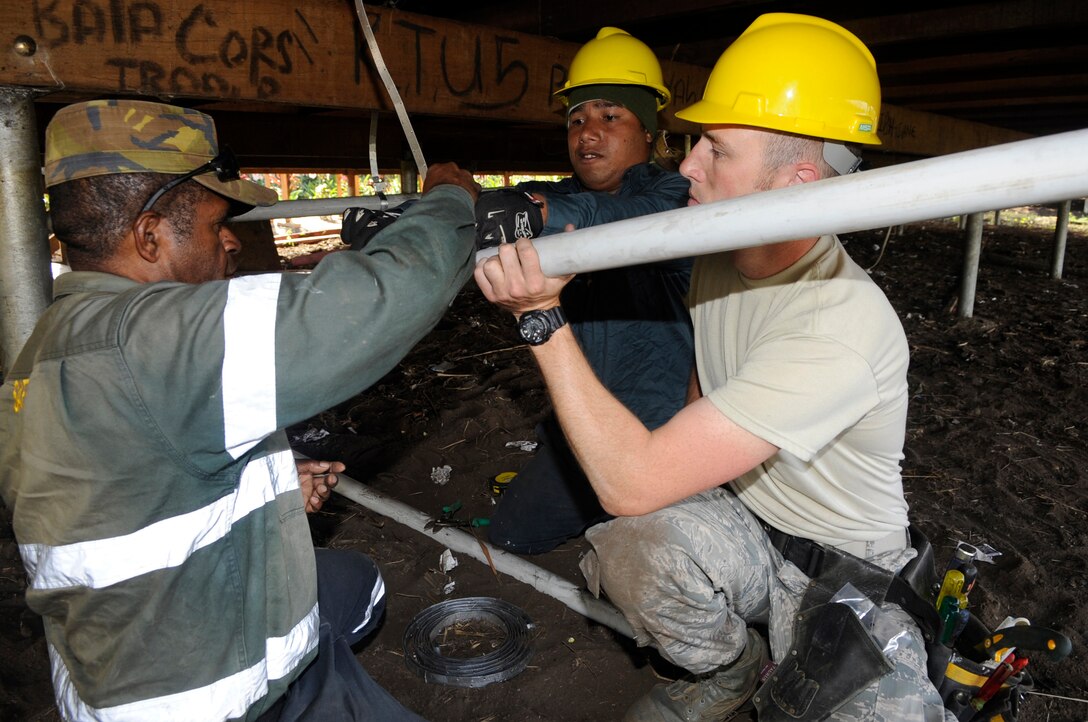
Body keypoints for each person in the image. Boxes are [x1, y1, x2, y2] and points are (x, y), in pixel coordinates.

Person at [475, 13, 955, 722]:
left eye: (717, 148)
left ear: (793, 182)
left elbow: (632, 480)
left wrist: (540, 320)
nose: (689, 164)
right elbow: (701, 389)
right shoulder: (720, 258)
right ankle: (730, 667)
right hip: (746, 519)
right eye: (698, 139)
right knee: (629, 548)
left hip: (837, 569)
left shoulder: (837, 324)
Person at [0, 99, 480, 721]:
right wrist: (447, 202)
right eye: (212, 224)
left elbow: (124, 491)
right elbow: (374, 303)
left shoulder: (43, 350)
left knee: (352, 581)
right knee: (356, 598)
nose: (232, 241)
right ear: (148, 236)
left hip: (108, 674)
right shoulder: (154, 338)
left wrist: (267, 484)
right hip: (207, 701)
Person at [478, 27, 694, 554]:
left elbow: (625, 219)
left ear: (648, 131)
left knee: (653, 548)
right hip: (582, 416)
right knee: (508, 536)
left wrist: (539, 214)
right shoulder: (563, 194)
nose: (587, 133)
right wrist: (438, 211)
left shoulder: (678, 194)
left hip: (659, 425)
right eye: (576, 120)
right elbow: (520, 202)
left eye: (609, 116)